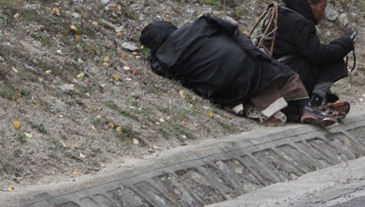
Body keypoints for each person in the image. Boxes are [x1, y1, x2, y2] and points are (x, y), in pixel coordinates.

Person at [140, 14, 338, 127]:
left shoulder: (162, 59)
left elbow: (163, 70)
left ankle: (284, 113)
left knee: (248, 91)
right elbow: (233, 30)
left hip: (224, 89)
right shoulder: (201, 23)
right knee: (282, 76)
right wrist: (253, 51)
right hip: (247, 64)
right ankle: (306, 108)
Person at [265, 0, 354, 119]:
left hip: (271, 71)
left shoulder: (283, 13)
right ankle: (313, 104)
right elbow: (317, 55)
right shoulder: (300, 22)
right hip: (286, 75)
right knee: (335, 61)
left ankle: (321, 98)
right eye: (322, 7)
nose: (323, 14)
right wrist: (344, 45)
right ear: (310, 4)